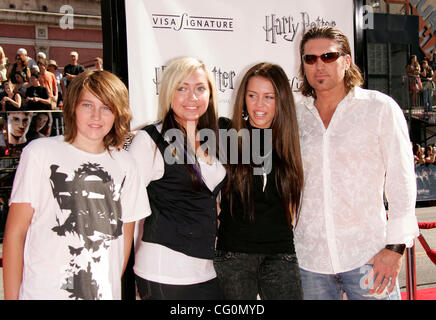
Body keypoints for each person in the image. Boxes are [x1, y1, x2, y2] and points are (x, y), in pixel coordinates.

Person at [2, 70, 151, 300]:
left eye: (106, 108)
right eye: (87, 105)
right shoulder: (39, 153)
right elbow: (15, 234)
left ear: (117, 114)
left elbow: (122, 244)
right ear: (72, 107)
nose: (96, 117)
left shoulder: (127, 165)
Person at [295, 26, 419, 300]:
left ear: (347, 60)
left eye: (328, 56)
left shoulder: (378, 108)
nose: (319, 65)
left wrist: (395, 249)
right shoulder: (295, 116)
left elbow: (401, 181)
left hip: (369, 255)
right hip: (309, 260)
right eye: (310, 58)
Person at [128, 57, 226, 300]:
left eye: (200, 88)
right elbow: (126, 210)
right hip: (164, 271)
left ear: (210, 95)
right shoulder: (150, 140)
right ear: (168, 92)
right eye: (182, 88)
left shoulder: (211, 137)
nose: (192, 97)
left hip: (207, 271)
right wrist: (121, 272)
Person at [214, 62, 304, 300]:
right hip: (233, 254)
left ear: (281, 100)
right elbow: (177, 132)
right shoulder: (225, 133)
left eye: (268, 97)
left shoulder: (291, 141)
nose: (259, 104)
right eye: (252, 95)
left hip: (280, 253)